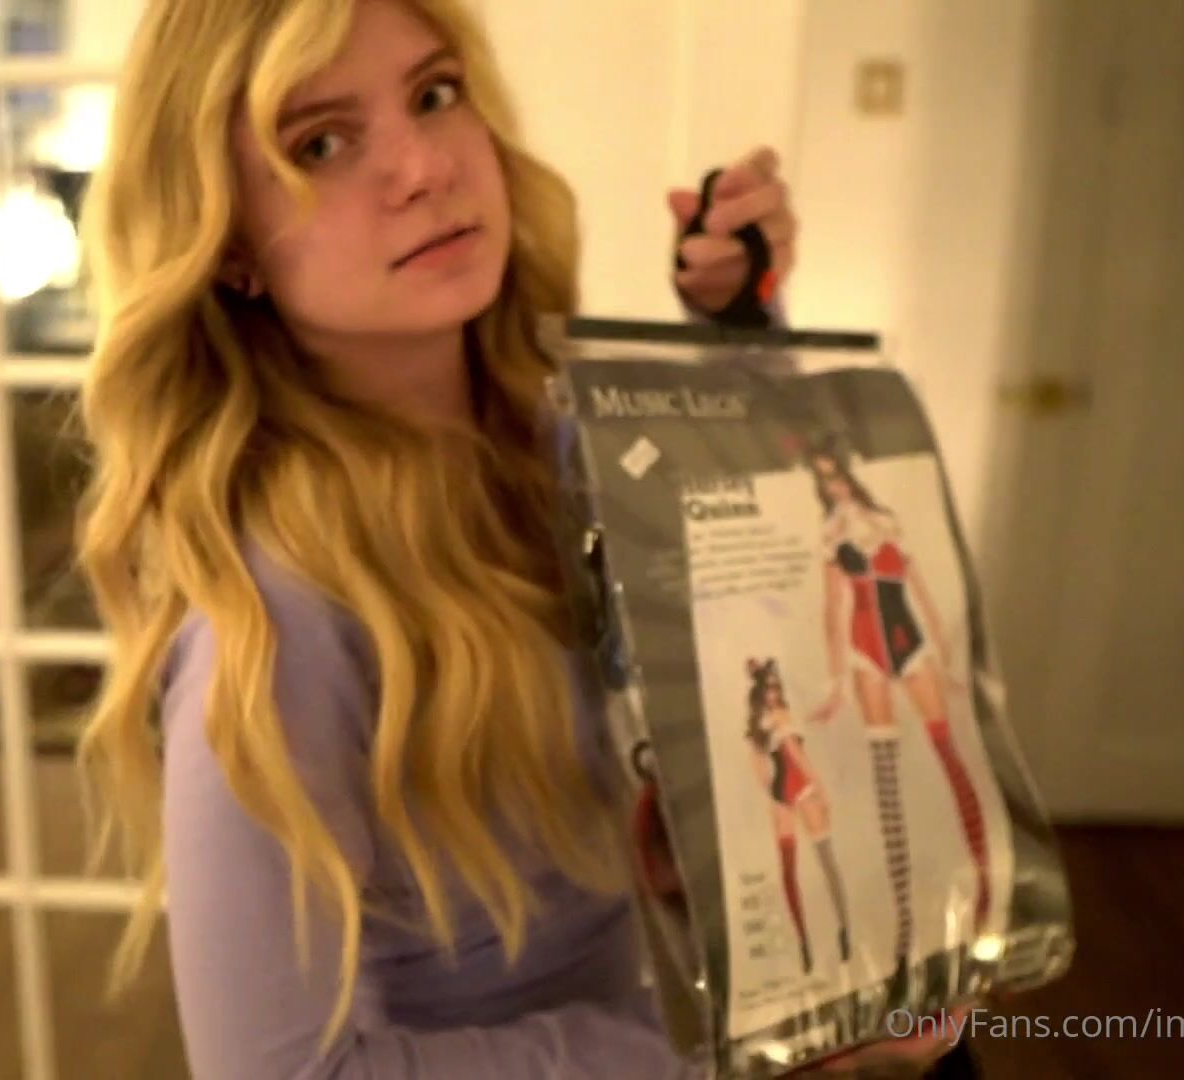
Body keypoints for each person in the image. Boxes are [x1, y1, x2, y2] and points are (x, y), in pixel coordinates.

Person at [74, 0, 973, 1075]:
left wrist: (739, 330)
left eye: (434, 94)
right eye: (320, 144)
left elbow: (779, 603)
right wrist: (726, 1046)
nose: (424, 167)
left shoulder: (560, 440)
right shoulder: (280, 619)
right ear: (228, 247)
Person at [805, 440, 992, 971]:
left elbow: (922, 591)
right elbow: (832, 608)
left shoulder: (887, 522)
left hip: (911, 643)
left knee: (951, 759)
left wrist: (947, 656)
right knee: (886, 780)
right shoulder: (830, 537)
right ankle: (903, 926)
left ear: (849, 474)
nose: (835, 486)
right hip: (865, 651)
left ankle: (984, 894)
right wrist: (836, 681)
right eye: (824, 481)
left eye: (837, 475)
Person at [744, 658, 853, 977]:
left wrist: (772, 794)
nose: (774, 693)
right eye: (769, 688)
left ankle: (813, 942)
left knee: (796, 869)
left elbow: (760, 769)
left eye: (776, 687)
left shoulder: (757, 726)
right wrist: (819, 787)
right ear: (761, 692)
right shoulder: (780, 716)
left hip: (782, 791)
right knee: (819, 862)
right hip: (800, 787)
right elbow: (794, 753)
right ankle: (838, 932)